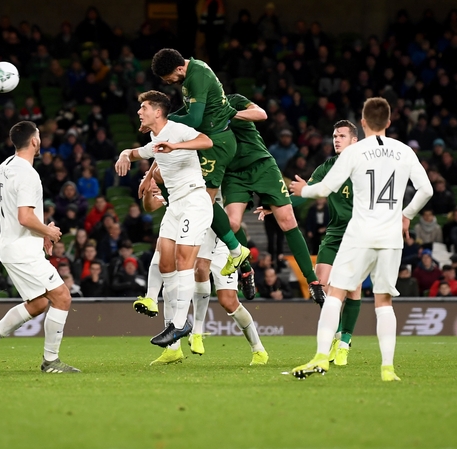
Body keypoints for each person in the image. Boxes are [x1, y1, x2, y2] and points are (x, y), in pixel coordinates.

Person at [289, 97, 433, 381]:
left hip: (360, 232)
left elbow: (324, 189)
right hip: (391, 236)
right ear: (388, 122)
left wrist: (303, 190)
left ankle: (321, 356)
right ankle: (388, 368)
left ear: (364, 123)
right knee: (384, 302)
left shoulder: (355, 152)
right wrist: (407, 215)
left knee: (336, 294)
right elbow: (426, 190)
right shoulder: (404, 151)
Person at [0, 121, 80, 374]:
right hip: (23, 250)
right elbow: (24, 217)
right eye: (39, 136)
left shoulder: (4, 166)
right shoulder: (28, 174)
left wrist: (41, 234)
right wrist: (48, 231)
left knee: (39, 303)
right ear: (35, 141)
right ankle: (51, 361)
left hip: (11, 245)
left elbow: (18, 212)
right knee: (62, 297)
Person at [140, 170, 269, 365]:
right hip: (194, 235)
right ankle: (174, 348)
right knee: (174, 281)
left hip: (220, 238)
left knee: (228, 301)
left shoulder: (213, 173)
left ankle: (258, 349)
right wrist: (149, 189)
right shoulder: (179, 180)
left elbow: (232, 219)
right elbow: (150, 206)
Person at [115, 90, 213, 348]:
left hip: (194, 200)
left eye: (144, 108)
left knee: (183, 259)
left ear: (157, 112)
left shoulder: (177, 130)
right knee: (165, 260)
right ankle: (168, 315)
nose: (139, 112)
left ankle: (180, 324)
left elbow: (206, 141)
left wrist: (175, 146)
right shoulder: (154, 138)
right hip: (176, 205)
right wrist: (124, 154)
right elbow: (137, 152)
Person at [150, 49, 250, 276]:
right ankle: (236, 252)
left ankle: (239, 253)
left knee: (203, 200)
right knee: (191, 194)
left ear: (179, 68)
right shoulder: (192, 72)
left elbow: (194, 119)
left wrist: (164, 121)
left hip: (216, 143)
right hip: (207, 141)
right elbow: (189, 110)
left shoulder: (197, 76)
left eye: (168, 78)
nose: (168, 82)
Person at [223, 93, 325, 302]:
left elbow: (261, 114)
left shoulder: (233, 101)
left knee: (287, 220)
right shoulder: (198, 114)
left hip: (262, 165)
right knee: (232, 223)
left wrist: (229, 114)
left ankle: (313, 281)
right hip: (234, 173)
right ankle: (246, 270)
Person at [300, 120, 362, 366]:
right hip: (335, 232)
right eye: (335, 136)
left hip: (358, 233)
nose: (336, 140)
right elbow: (306, 191)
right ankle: (337, 335)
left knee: (353, 289)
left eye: (342, 136)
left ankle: (344, 343)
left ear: (354, 141)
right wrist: (277, 206)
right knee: (320, 285)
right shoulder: (328, 166)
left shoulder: (365, 166)